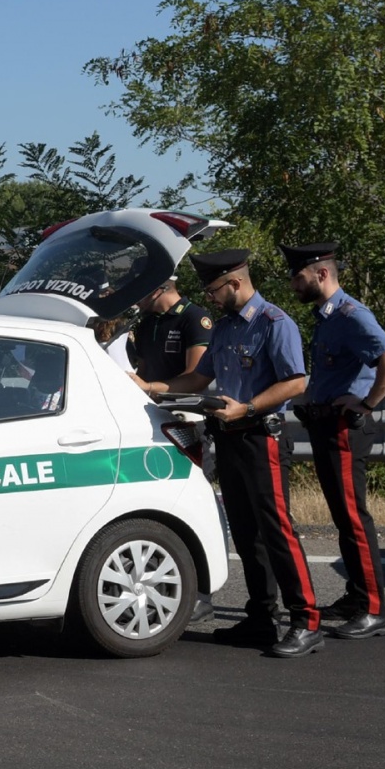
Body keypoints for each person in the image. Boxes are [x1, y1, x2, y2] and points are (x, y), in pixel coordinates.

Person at [134, 249, 323, 658]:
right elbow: (199, 378)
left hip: (262, 436)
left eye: (214, 289)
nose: (210, 297)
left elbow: (295, 383)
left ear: (235, 283)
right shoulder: (222, 328)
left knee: (277, 531)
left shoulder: (275, 323)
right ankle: (261, 617)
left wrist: (250, 407)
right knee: (246, 532)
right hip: (230, 435)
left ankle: (306, 619)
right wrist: (147, 387)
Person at [283, 242, 385, 641]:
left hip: (344, 429)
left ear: (322, 274)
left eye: (298, 278)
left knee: (354, 520)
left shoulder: (351, 315)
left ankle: (373, 608)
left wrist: (366, 404)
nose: (293, 285)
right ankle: (356, 596)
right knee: (343, 518)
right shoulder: (326, 316)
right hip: (325, 425)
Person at [132, 275, 216, 623]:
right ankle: (167, 588)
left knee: (190, 506)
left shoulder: (194, 318)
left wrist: (149, 388)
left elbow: (197, 376)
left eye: (140, 291)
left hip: (186, 421)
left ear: (159, 287)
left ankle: (201, 592)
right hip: (151, 420)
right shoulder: (147, 322)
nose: (135, 300)